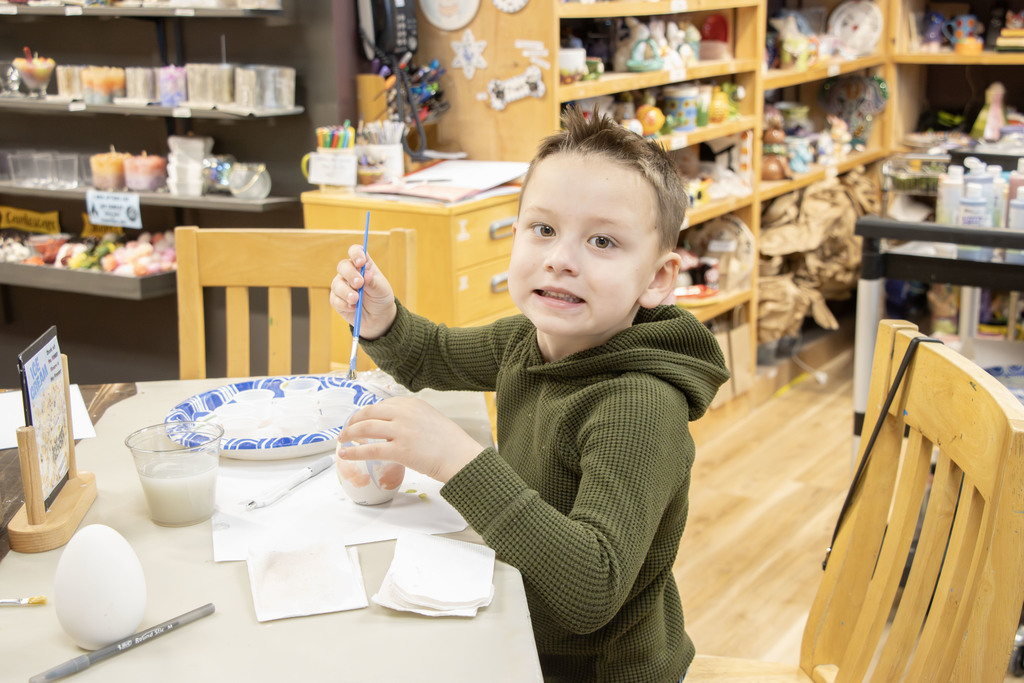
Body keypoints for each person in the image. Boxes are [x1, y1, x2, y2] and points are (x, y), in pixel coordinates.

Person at [330, 108, 729, 682]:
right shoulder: (530, 340)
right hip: (520, 633)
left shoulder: (639, 406)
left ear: (659, 279)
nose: (561, 259)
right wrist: (382, 319)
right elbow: (432, 355)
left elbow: (591, 589)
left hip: (594, 671)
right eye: (543, 229)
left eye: (603, 240)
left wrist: (457, 460)